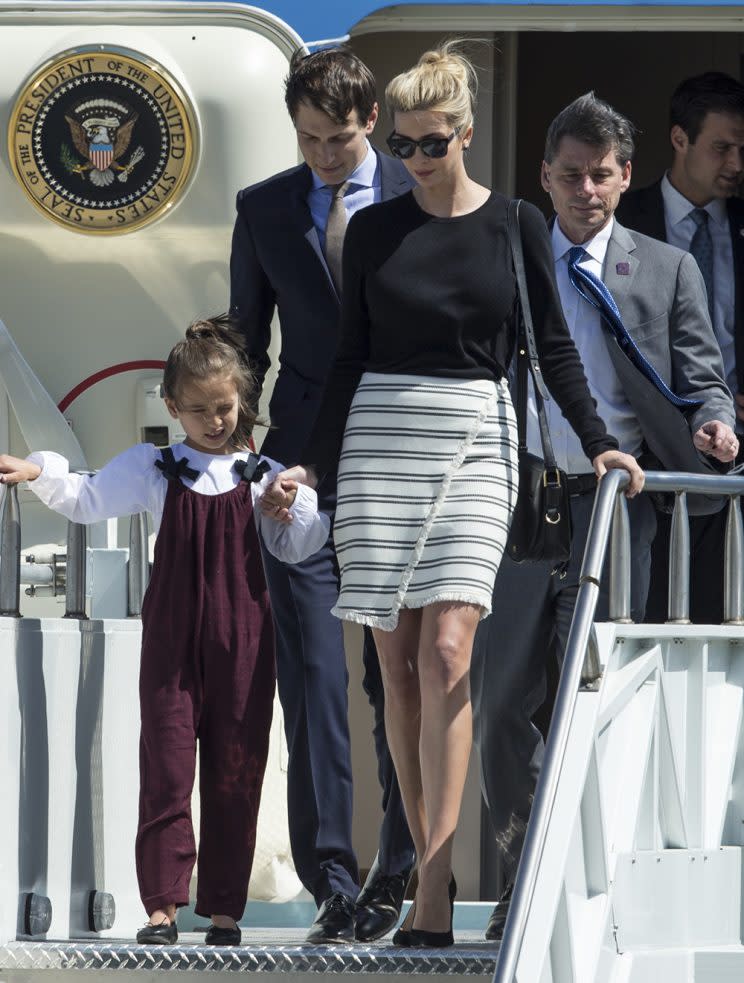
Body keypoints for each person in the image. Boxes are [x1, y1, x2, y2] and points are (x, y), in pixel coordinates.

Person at [263, 46, 642, 948]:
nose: (416, 158)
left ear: (467, 134)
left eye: (431, 144)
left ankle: (434, 881)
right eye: (402, 144)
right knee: (393, 667)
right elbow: (349, 359)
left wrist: (599, 443)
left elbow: (552, 350)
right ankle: (424, 859)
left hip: (475, 438)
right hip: (379, 444)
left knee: (444, 651)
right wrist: (310, 464)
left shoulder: (515, 224)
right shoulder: (377, 233)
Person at [472, 92, 737, 944]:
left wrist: (717, 421)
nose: (585, 189)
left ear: (627, 178)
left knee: (609, 693)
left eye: (602, 175)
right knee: (503, 701)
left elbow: (701, 377)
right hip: (525, 506)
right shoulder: (510, 261)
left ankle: (589, 881)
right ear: (544, 177)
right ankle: (519, 872)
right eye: (570, 175)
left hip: (627, 512)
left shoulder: (667, 268)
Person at [0, 317, 330, 947]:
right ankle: (162, 905)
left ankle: (226, 911)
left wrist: (292, 506)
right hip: (172, 647)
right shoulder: (156, 468)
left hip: (246, 645)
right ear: (174, 407)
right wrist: (39, 470)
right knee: (167, 768)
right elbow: (88, 497)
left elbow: (299, 547)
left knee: (239, 769)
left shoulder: (262, 475)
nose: (215, 421)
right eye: (200, 410)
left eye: (226, 408)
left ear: (243, 403)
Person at [229, 46, 416, 944]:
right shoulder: (263, 207)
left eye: (338, 140)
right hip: (294, 469)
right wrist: (237, 453)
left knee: (398, 676)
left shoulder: (421, 197)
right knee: (313, 677)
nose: (325, 158)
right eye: (308, 140)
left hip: (395, 462)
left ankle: (404, 864)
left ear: (370, 121)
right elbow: (245, 338)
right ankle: (332, 880)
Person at [616, 71, 744, 624]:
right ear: (679, 139)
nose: (736, 163)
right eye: (722, 147)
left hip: (739, 453)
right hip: (649, 463)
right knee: (648, 622)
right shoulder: (619, 223)